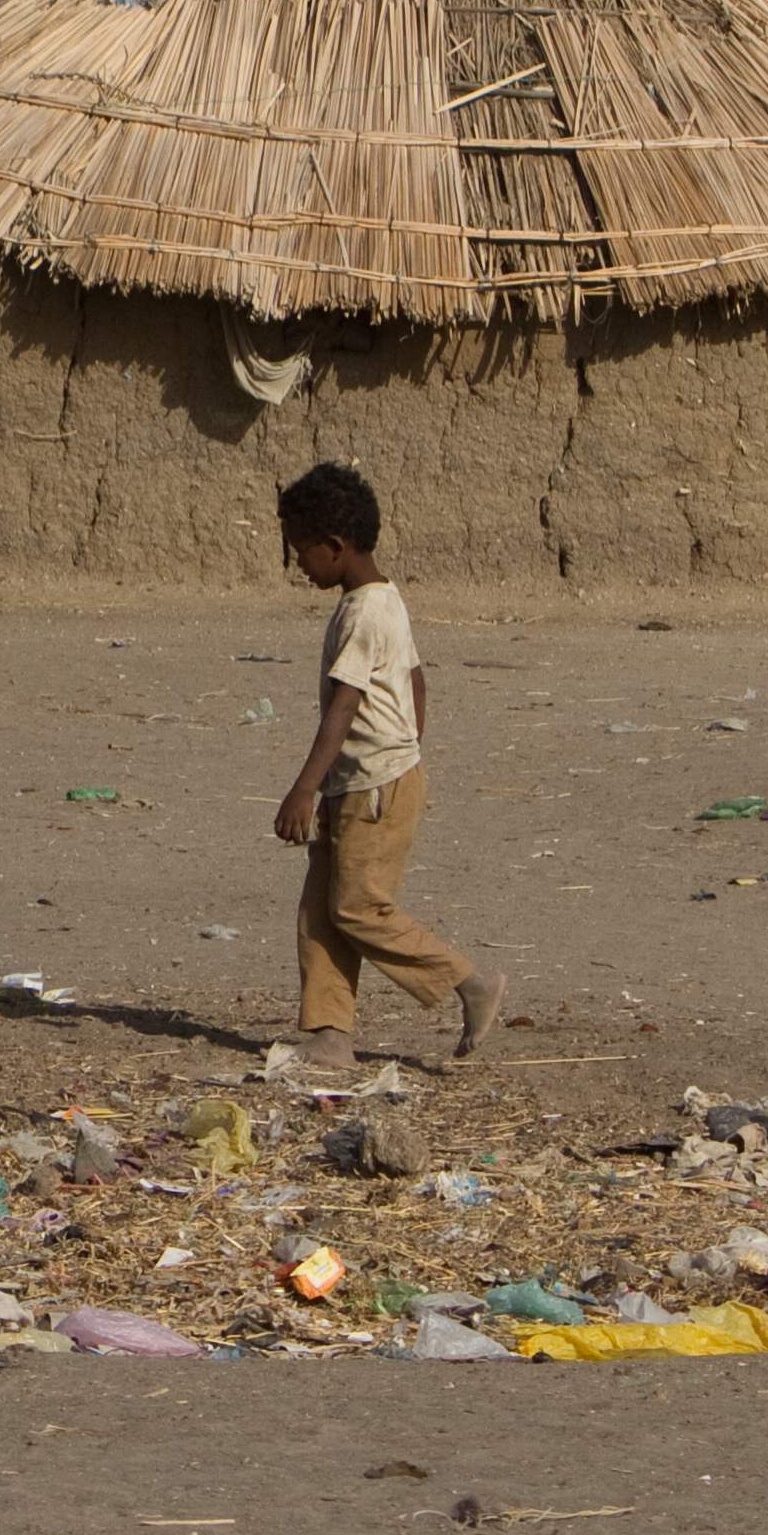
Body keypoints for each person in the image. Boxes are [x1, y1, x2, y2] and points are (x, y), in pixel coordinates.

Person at [266, 462, 500, 1078]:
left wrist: (304, 787)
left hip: (374, 786)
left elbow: (346, 703)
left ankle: (468, 983)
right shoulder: (383, 600)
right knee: (321, 908)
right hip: (368, 778)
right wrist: (402, 752)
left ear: (335, 545)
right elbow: (416, 682)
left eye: (302, 551)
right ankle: (328, 1034)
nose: (300, 566)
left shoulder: (364, 612)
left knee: (358, 908)